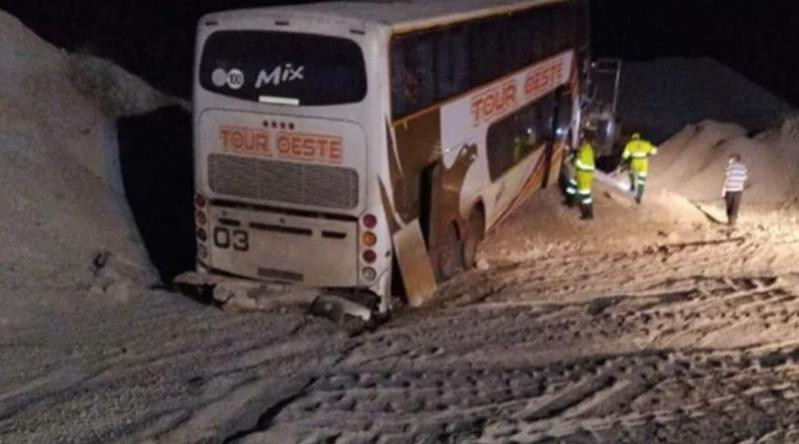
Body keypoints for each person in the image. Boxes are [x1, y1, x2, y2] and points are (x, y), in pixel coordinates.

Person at [622, 132, 658, 204]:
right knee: (641, 181)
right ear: (639, 138)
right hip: (644, 163)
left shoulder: (630, 145)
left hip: (635, 162)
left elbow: (624, 156)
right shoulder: (645, 143)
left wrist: (622, 163)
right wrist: (648, 151)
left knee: (630, 171)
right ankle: (639, 197)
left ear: (632, 139)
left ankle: (632, 185)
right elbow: (655, 151)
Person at [722, 154, 748, 225]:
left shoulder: (730, 167)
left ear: (733, 159)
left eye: (730, 159)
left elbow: (726, 178)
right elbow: (744, 178)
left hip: (730, 188)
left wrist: (723, 189)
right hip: (739, 189)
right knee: (735, 205)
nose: (729, 161)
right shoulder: (743, 167)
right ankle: (733, 221)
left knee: (729, 204)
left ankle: (730, 221)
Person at [573, 138, 596, 219]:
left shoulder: (584, 151)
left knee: (585, 195)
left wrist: (575, 160)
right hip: (585, 175)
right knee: (586, 194)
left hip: (584, 176)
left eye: (580, 142)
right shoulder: (588, 150)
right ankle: (588, 213)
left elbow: (580, 164)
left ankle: (587, 214)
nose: (579, 144)